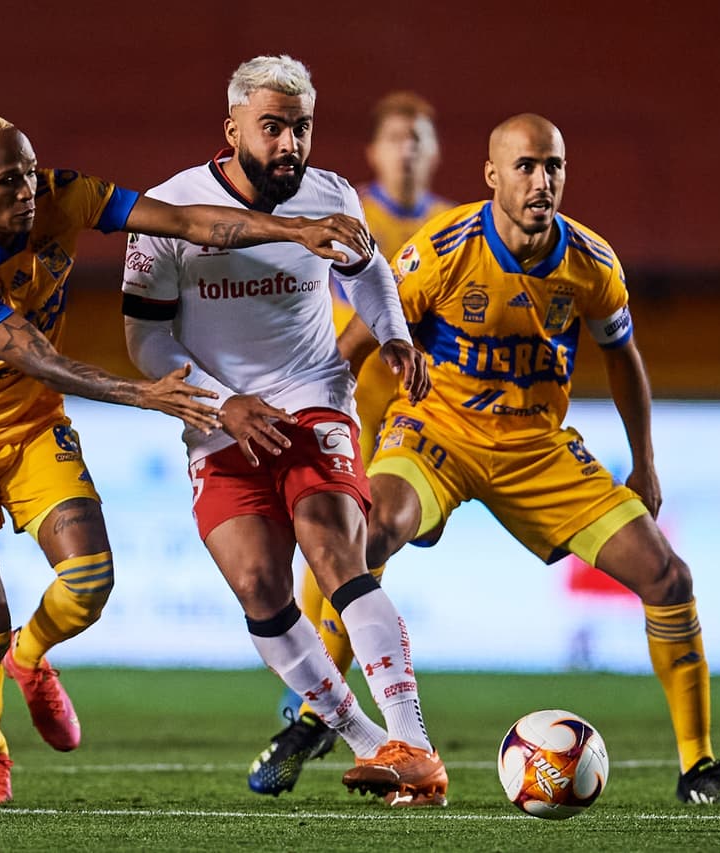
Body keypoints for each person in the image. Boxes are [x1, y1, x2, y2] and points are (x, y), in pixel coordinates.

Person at [258, 111, 720, 807]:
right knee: (365, 534)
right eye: (525, 166)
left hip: (537, 448)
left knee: (668, 576)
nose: (541, 181)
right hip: (438, 433)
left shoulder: (591, 261)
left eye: (553, 166)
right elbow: (364, 332)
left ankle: (699, 766)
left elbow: (625, 359)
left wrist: (644, 464)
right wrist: (312, 418)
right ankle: (320, 718)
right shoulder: (442, 248)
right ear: (492, 175)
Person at [0, 111, 375, 805]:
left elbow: (185, 223)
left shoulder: (65, 194)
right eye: (8, 181)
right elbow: (34, 355)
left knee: (89, 581)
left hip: (30, 425)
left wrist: (295, 229)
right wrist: (142, 393)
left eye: (30, 171)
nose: (28, 190)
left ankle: (32, 658)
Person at [121, 55, 448, 808]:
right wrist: (220, 400)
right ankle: (371, 742)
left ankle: (417, 746)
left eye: (300, 127)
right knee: (259, 585)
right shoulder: (169, 212)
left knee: (335, 546)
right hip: (219, 414)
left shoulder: (332, 194)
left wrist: (391, 332)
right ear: (232, 127)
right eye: (272, 127)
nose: (289, 143)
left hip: (313, 395)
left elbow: (367, 271)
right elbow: (146, 342)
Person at [254, 92, 458, 793]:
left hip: (421, 430)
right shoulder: (339, 214)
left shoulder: (452, 230)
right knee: (336, 561)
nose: (407, 149)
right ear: (373, 151)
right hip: (338, 417)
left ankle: (318, 715)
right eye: (397, 136)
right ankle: (317, 714)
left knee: (351, 563)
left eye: (420, 138)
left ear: (435, 152)